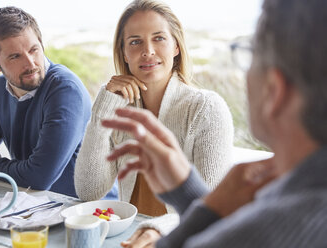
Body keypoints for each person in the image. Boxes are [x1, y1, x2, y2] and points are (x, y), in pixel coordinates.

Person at [102, 0, 327, 246]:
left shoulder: (269, 225)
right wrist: (188, 192)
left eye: (250, 54)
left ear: (274, 90)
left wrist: (204, 206)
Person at [74, 0, 233, 236]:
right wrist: (102, 110)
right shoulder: (118, 111)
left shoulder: (207, 109)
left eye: (158, 38)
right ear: (125, 54)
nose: (147, 51)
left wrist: (155, 230)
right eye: (135, 42)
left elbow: (208, 207)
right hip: (129, 238)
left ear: (176, 47)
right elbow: (89, 191)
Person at [0, 6, 120, 199]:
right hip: (38, 206)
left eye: (34, 50)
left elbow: (40, 177)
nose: (31, 63)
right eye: (15, 56)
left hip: (88, 212)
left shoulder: (65, 89)